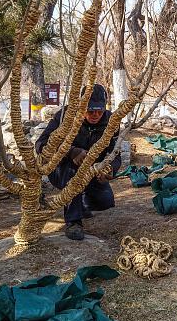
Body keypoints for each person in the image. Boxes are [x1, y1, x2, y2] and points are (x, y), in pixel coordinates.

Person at [34, 84, 120, 241]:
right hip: (63, 169)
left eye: (99, 111)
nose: (95, 115)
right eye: (90, 111)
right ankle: (73, 222)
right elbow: (41, 144)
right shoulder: (65, 116)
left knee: (105, 201)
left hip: (92, 170)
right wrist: (71, 151)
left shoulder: (111, 121)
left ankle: (81, 203)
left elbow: (115, 153)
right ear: (81, 106)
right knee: (73, 176)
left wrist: (110, 170)